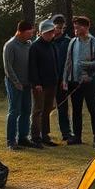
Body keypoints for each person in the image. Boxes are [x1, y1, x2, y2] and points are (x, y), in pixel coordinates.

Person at [62, 16, 95, 148]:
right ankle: (77, 137)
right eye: (74, 26)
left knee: (93, 109)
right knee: (76, 110)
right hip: (74, 81)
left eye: (78, 26)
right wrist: (65, 79)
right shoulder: (73, 42)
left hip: (89, 81)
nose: (75, 29)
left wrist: (86, 65)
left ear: (86, 27)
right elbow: (68, 62)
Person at [3, 20, 35, 150]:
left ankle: (23, 138)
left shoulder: (29, 44)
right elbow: (8, 67)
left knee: (26, 110)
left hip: (27, 84)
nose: (31, 35)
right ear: (20, 32)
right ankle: (11, 141)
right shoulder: (10, 45)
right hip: (14, 84)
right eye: (29, 32)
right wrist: (16, 83)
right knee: (14, 111)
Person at [28, 19, 59, 147]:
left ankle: (45, 135)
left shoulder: (52, 45)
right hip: (39, 85)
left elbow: (56, 63)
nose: (50, 35)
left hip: (52, 83)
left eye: (52, 32)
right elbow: (32, 67)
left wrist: (58, 78)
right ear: (41, 33)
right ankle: (35, 137)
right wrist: (36, 83)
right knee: (38, 110)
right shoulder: (35, 46)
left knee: (47, 110)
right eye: (48, 32)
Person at [51, 14, 74, 142]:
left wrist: (65, 79)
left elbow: (69, 62)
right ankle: (43, 134)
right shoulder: (47, 40)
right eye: (56, 27)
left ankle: (66, 133)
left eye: (61, 27)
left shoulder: (68, 42)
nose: (58, 30)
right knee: (44, 108)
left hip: (62, 80)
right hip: (48, 81)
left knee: (63, 108)